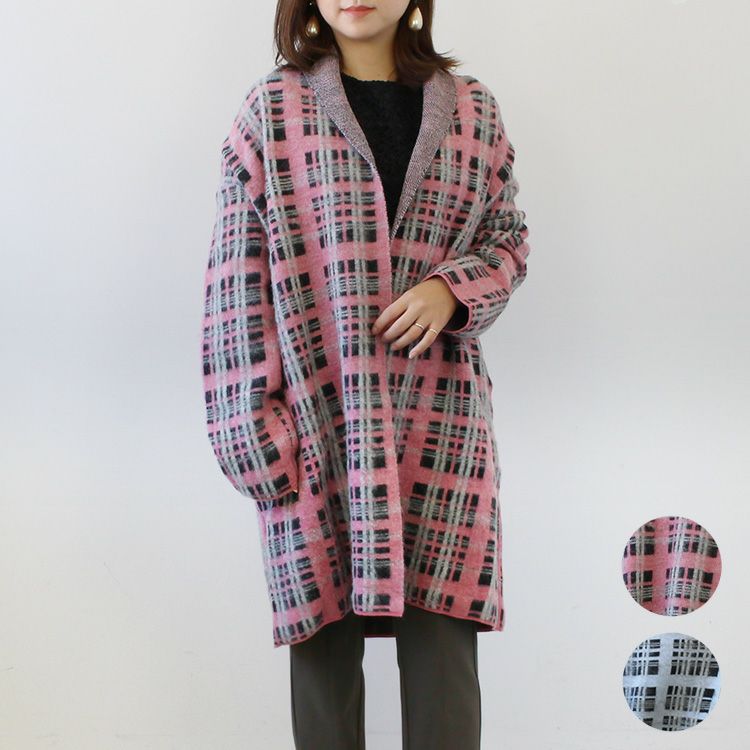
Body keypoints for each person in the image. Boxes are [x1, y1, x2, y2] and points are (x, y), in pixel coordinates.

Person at [201, 1, 531, 748]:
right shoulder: (273, 111)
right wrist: (255, 436)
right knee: (323, 667)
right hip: (317, 430)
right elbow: (235, 285)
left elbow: (507, 239)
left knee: (444, 662)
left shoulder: (472, 111)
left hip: (440, 432)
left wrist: (452, 291)